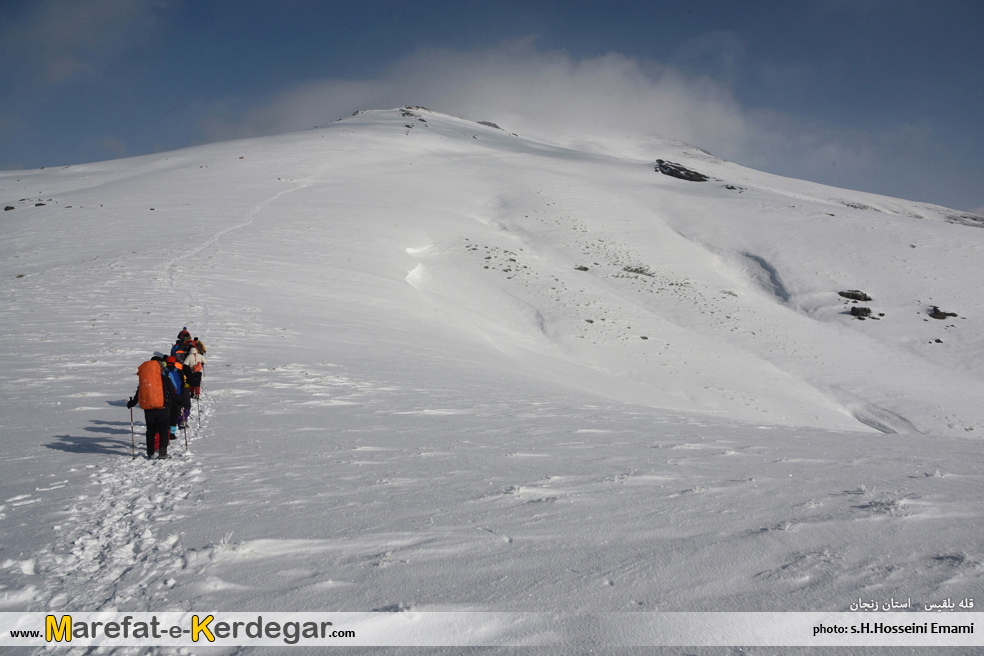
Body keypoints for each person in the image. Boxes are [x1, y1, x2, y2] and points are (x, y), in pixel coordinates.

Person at [127, 355, 179, 459]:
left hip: (148, 410)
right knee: (163, 431)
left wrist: (132, 403)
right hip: (162, 408)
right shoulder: (164, 378)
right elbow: (173, 393)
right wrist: (180, 402)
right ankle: (162, 452)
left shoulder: (145, 380)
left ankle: (150, 452)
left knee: (150, 431)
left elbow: (139, 393)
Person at [164, 356, 191, 436]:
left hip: (166, 395)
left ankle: (167, 432)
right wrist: (182, 394)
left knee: (167, 414)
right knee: (175, 413)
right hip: (177, 395)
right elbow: (182, 384)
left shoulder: (163, 371)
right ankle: (172, 432)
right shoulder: (179, 371)